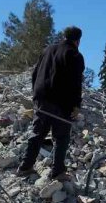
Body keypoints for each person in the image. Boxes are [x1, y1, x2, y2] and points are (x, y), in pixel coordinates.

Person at [17, 26, 85, 180]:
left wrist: (35, 95)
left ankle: (25, 167)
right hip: (61, 102)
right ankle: (58, 171)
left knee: (37, 133)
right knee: (61, 137)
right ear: (78, 41)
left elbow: (35, 73)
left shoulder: (47, 50)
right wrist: (76, 105)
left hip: (42, 98)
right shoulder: (74, 54)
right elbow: (76, 82)